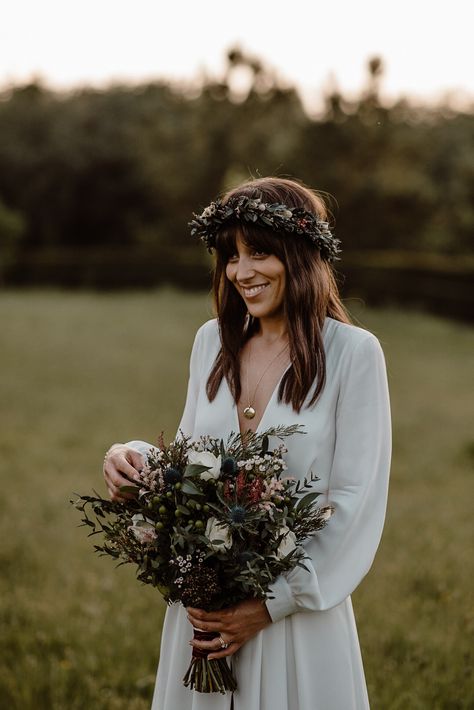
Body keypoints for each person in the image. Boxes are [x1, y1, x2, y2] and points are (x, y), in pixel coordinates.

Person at [103, 177, 391, 710]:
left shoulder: (353, 354)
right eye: (231, 256)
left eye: (259, 252)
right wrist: (134, 460)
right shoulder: (211, 341)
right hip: (203, 617)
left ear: (301, 254)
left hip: (294, 625)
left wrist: (269, 605)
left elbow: (355, 506)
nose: (241, 271)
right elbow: (188, 458)